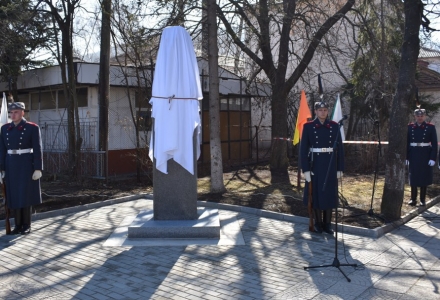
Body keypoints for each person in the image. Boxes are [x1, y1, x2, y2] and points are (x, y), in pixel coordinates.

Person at [300, 101, 344, 234]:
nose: (323, 112)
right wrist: (306, 169)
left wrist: (340, 168)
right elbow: (303, 150)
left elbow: (340, 149)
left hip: (330, 164)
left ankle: (328, 224)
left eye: (325, 110)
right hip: (316, 164)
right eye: (320, 110)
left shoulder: (334, 126)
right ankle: (318, 223)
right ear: (315, 111)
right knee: (316, 194)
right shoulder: (308, 127)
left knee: (329, 194)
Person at [0, 102, 43, 234]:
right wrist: (1, 168)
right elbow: (2, 149)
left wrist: (38, 168)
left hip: (25, 164)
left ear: (22, 113)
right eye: (11, 113)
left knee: (25, 194)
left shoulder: (32, 128)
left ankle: (26, 225)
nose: (13, 115)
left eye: (16, 112)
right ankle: (17, 225)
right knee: (13, 195)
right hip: (11, 164)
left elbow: (38, 148)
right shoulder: (5, 128)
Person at [407, 108, 437, 206]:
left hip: (425, 154)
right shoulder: (410, 127)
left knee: (424, 176)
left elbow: (435, 144)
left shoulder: (430, 127)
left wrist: (433, 158)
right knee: (414, 175)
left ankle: (422, 199)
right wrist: (406, 157)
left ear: (425, 116)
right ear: (414, 116)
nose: (420, 118)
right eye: (418, 116)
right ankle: (413, 198)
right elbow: (407, 143)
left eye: (422, 116)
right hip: (413, 153)